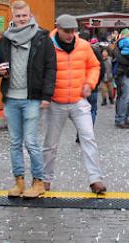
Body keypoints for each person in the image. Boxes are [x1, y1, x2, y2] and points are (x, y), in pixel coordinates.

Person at [0, 0, 56, 199]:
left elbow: (50, 67)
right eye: (18, 16)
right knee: (14, 142)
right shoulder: (5, 38)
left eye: (24, 15)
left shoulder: (42, 37)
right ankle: (18, 181)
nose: (21, 19)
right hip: (11, 97)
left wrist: (46, 95)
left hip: (32, 98)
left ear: (30, 15)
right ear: (12, 16)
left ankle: (38, 181)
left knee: (31, 141)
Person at [43, 14, 106, 194]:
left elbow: (94, 66)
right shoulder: (48, 45)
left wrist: (89, 84)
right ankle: (45, 179)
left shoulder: (84, 46)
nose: (70, 35)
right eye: (66, 31)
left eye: (73, 31)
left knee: (89, 138)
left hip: (79, 100)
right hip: (56, 102)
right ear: (58, 28)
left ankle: (95, 179)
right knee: (50, 143)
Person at [113, 28, 129, 128]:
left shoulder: (123, 44)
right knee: (125, 96)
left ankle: (124, 118)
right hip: (124, 73)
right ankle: (120, 119)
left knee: (128, 97)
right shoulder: (119, 45)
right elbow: (120, 59)